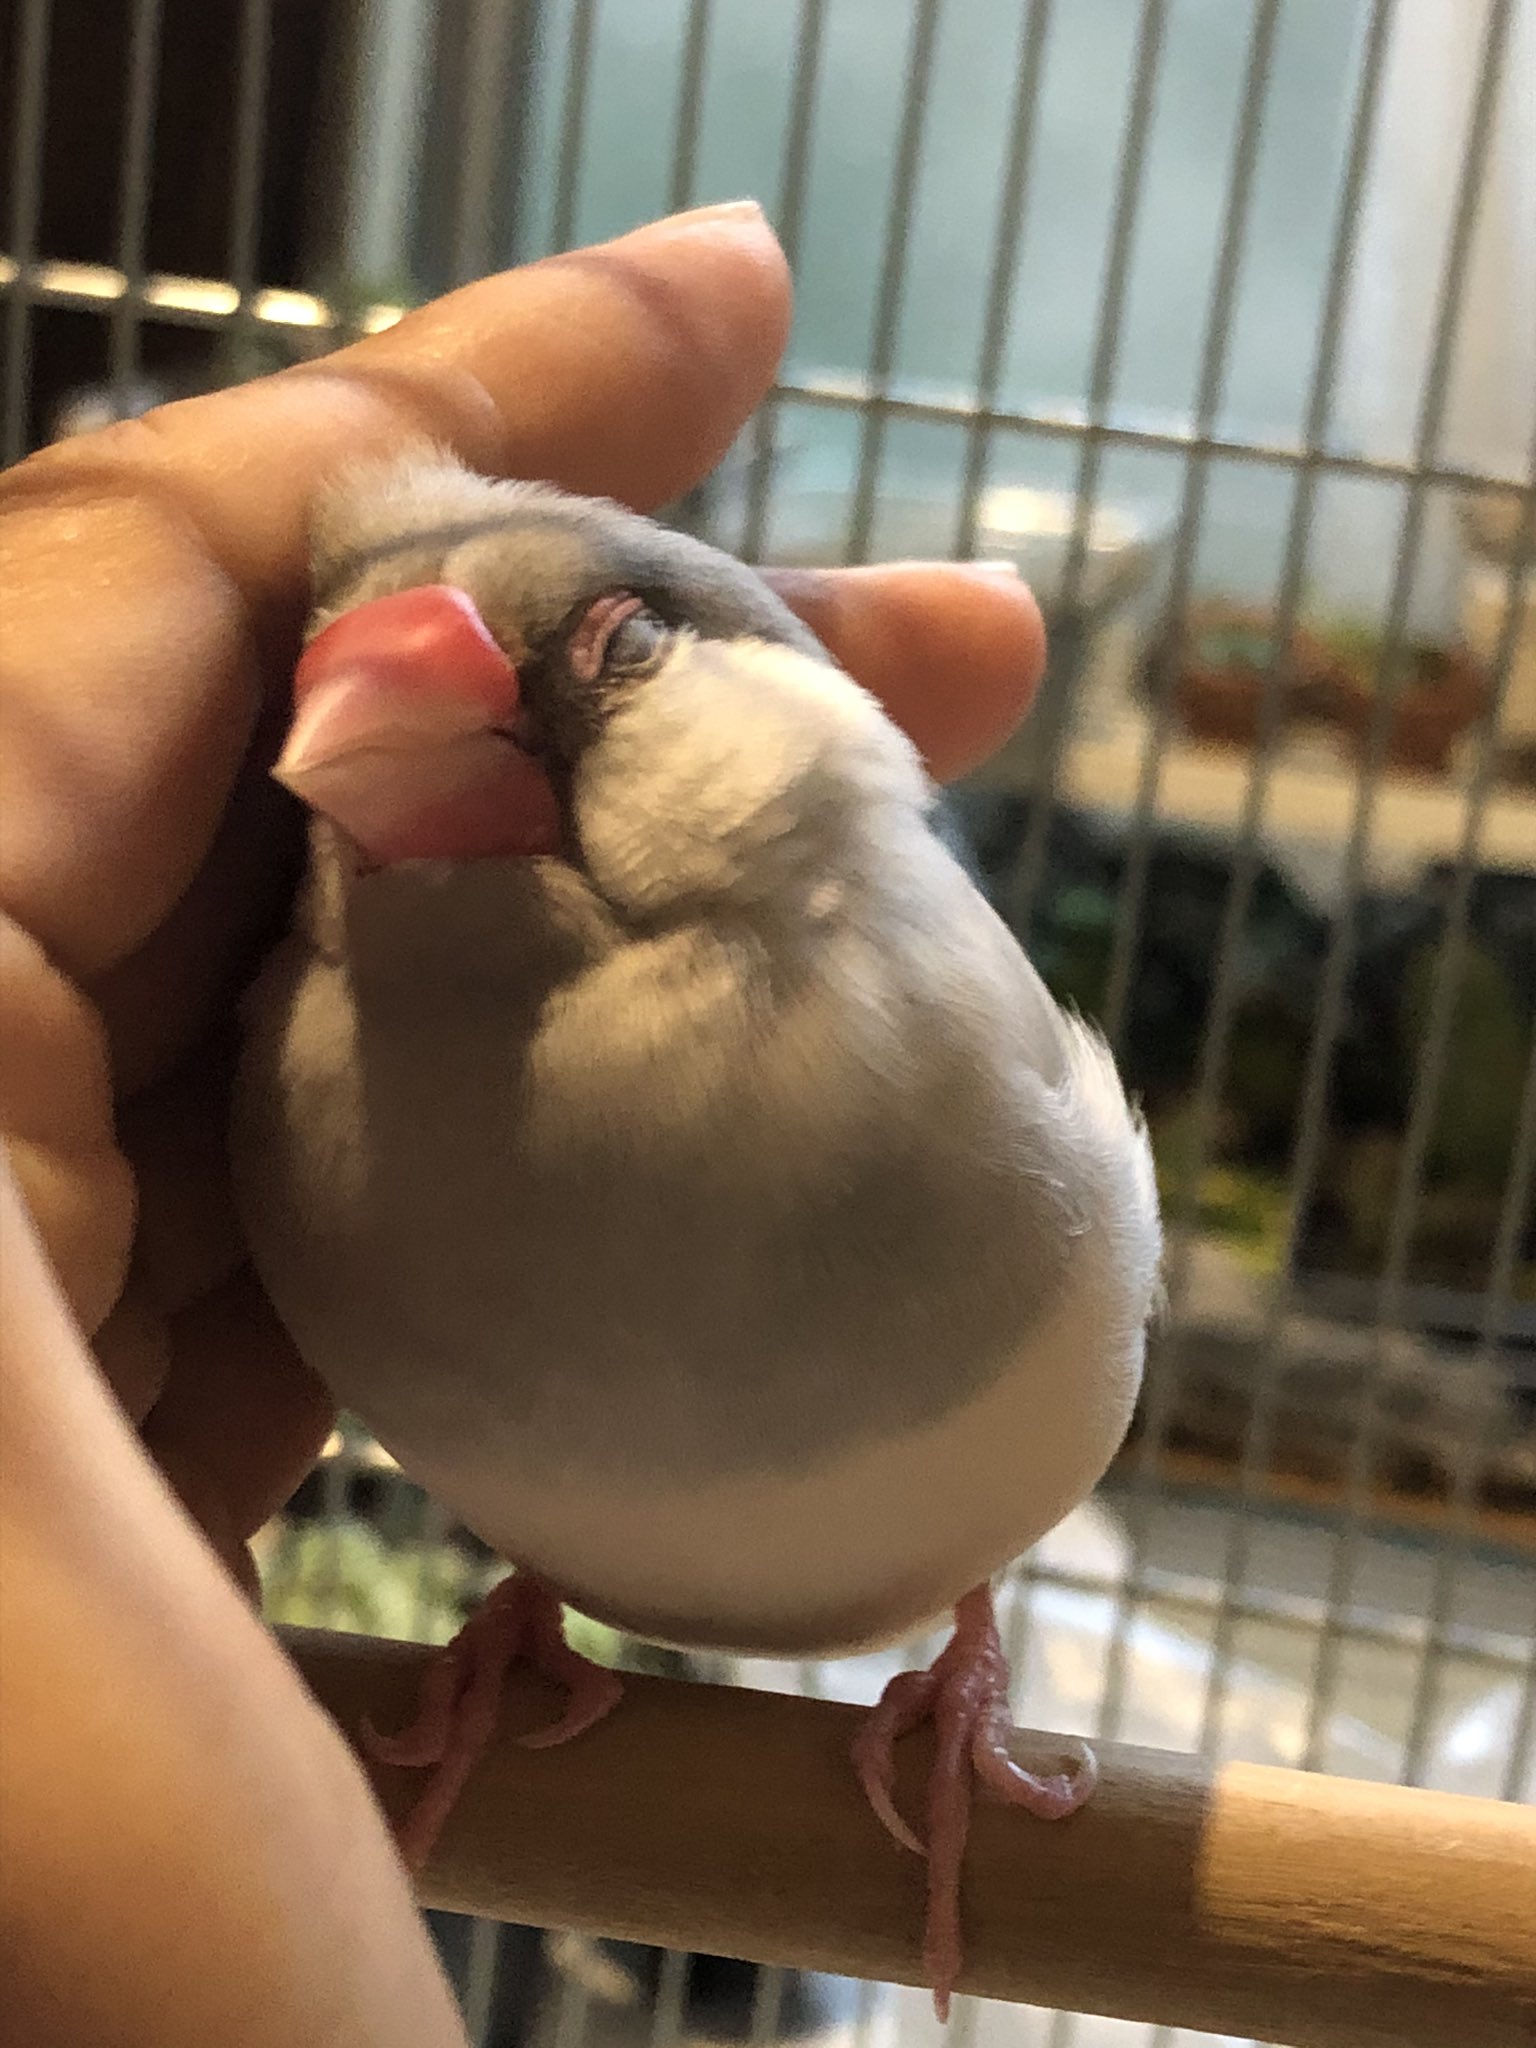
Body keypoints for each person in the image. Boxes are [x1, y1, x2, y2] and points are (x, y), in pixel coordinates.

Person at [0, 203, 1045, 2048]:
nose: (393, 710)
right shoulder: (299, 1087)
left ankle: (966, 1657)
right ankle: (523, 1616)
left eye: (615, 649)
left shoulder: (973, 1026)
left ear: (805, 702)